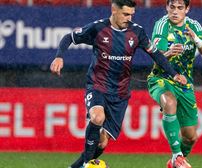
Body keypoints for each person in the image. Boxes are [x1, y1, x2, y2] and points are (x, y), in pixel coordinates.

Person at [50, 0, 187, 168]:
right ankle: (87, 164)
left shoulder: (137, 32)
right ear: (114, 10)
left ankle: (76, 166)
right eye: (125, 14)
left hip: (120, 93)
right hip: (97, 86)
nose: (129, 18)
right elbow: (68, 37)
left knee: (101, 143)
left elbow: (156, 54)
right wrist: (59, 56)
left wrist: (174, 74)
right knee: (97, 117)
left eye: (131, 15)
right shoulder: (98, 29)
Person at [147, 0, 202, 168]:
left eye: (180, 8)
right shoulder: (161, 25)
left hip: (184, 83)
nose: (175, 12)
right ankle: (177, 156)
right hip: (161, 79)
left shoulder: (194, 26)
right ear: (166, 7)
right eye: (172, 7)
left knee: (190, 137)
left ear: (187, 9)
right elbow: (156, 58)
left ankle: (175, 162)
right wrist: (168, 53)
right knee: (169, 102)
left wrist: (196, 39)